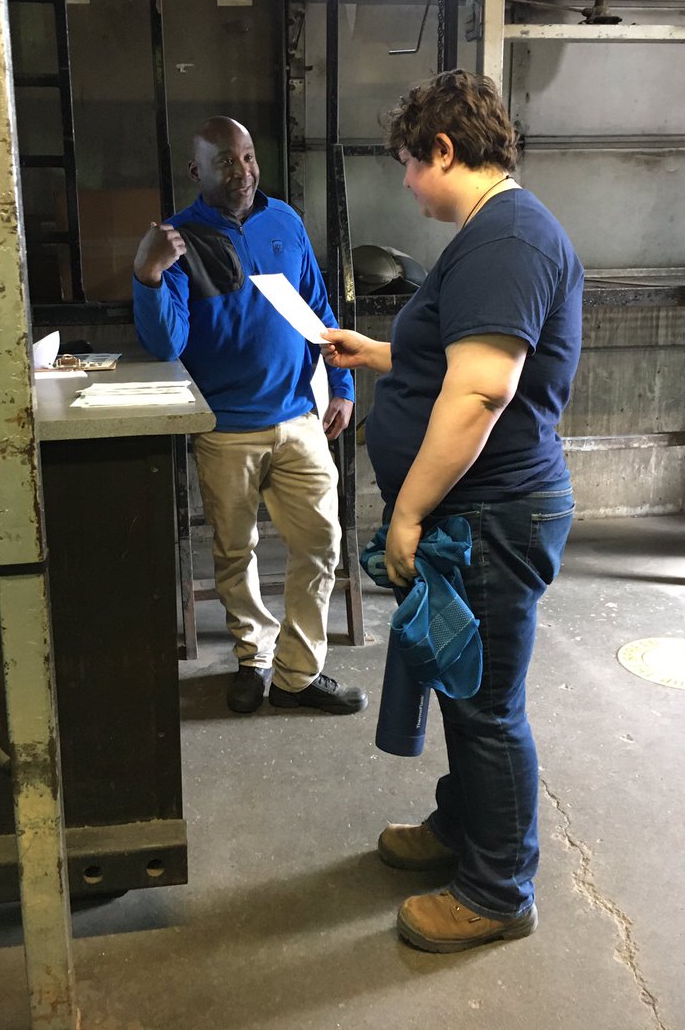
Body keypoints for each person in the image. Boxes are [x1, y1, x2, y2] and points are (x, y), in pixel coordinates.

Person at [322, 70, 583, 952]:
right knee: (468, 692)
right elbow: (450, 356)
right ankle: (463, 829)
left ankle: (498, 889)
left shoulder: (507, 238)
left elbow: (479, 394)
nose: (404, 182)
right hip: (478, 511)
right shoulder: (489, 236)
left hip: (493, 513)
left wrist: (408, 516)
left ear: (444, 149)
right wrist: (381, 353)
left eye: (408, 163)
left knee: (486, 705)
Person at [133, 116, 368, 718]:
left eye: (249, 158)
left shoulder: (283, 220)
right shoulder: (179, 239)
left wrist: (340, 384)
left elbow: (318, 309)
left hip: (298, 418)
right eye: (227, 162)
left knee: (321, 544)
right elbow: (167, 343)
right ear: (197, 170)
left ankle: (298, 672)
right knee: (236, 554)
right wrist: (149, 274)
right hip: (224, 429)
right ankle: (253, 659)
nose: (243, 172)